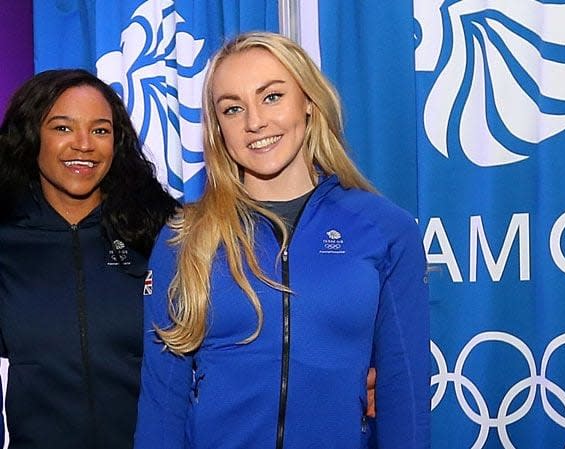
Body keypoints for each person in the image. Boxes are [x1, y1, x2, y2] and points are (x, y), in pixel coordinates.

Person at [134, 31, 430, 449]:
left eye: (271, 97)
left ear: (308, 102)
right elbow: (162, 403)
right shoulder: (184, 237)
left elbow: (405, 394)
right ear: (218, 129)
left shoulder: (384, 229)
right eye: (232, 108)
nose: (254, 122)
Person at [0, 69, 178, 449]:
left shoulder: (160, 234)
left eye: (100, 130)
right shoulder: (7, 242)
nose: (84, 145)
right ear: (32, 136)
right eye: (63, 128)